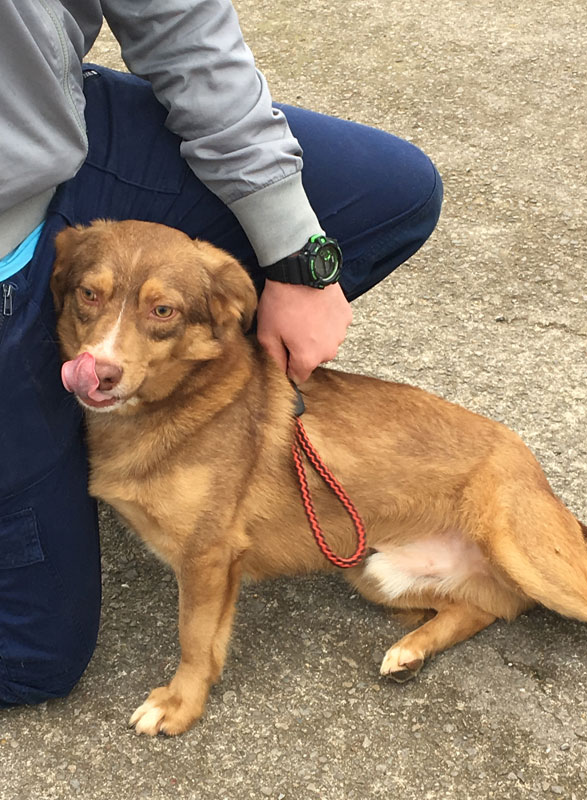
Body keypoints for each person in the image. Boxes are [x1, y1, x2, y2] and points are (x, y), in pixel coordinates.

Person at [0, 0, 442, 706]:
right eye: (89, 301)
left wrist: (296, 253)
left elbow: (180, 18)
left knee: (396, 191)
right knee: (31, 662)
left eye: (161, 312)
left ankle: (159, 428)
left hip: (44, 128)